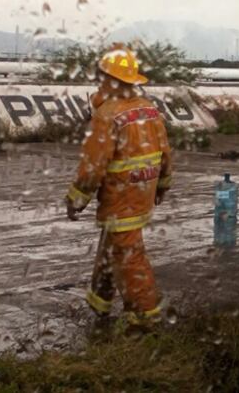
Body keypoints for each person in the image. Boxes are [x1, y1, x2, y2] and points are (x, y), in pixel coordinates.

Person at [64, 46, 173, 329]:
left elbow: (93, 165)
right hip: (144, 191)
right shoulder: (150, 110)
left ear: (111, 80)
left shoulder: (107, 115)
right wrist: (162, 185)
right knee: (112, 243)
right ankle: (100, 301)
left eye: (102, 76)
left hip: (120, 196)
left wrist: (77, 199)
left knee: (129, 256)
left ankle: (146, 318)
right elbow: (165, 152)